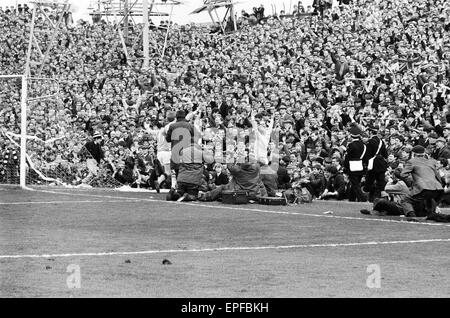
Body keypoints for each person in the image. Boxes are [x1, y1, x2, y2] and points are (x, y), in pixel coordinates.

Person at [399, 145, 444, 218]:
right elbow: (438, 176)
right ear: (424, 153)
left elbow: (403, 174)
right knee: (429, 199)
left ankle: (412, 216)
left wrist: (411, 184)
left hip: (423, 187)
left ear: (413, 153)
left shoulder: (411, 161)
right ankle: (431, 215)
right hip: (438, 189)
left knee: (405, 200)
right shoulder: (431, 161)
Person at [198, 162, 268, 202]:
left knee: (222, 187)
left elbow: (229, 165)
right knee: (259, 183)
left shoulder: (238, 170)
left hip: (241, 193)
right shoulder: (256, 168)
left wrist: (233, 155)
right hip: (254, 194)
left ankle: (206, 196)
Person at [363, 128, 388, 202]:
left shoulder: (370, 142)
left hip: (372, 165)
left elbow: (367, 154)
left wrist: (365, 163)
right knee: (381, 183)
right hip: (381, 165)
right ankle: (383, 200)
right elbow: (385, 155)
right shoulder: (381, 142)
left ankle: (367, 199)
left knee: (369, 182)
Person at [343, 125, 367, 202]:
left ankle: (362, 198)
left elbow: (347, 157)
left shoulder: (350, 145)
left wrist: (346, 167)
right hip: (361, 166)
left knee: (355, 184)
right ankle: (352, 198)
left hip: (352, 166)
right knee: (355, 184)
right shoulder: (363, 145)